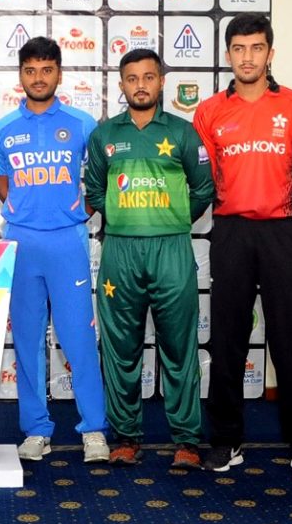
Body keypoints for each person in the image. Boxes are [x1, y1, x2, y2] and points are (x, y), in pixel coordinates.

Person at [85, 49, 214, 468]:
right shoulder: (104, 136)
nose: (140, 85)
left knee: (179, 348)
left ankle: (187, 441)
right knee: (121, 348)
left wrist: (172, 220)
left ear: (161, 82)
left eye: (148, 77)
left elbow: (203, 188)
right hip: (120, 252)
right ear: (121, 85)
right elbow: (94, 190)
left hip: (171, 250)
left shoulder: (182, 133)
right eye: (132, 78)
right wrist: (126, 220)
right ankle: (125, 437)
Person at [193, 12, 292, 477]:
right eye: (239, 49)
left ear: (270, 53)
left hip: (281, 232)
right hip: (231, 232)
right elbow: (202, 177)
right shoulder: (209, 111)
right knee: (227, 338)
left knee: (290, 339)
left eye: (256, 48)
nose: (247, 57)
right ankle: (227, 440)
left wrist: (288, 213)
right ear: (228, 55)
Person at [0, 36, 109, 463]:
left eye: (46, 70)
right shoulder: (3, 129)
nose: (38, 78)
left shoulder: (82, 123)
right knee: (27, 340)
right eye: (30, 70)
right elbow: (0, 180)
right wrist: (22, 210)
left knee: (79, 338)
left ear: (59, 73)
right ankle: (37, 429)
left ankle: (94, 429)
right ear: (20, 75)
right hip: (22, 243)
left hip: (67, 243)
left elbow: (100, 176)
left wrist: (81, 210)